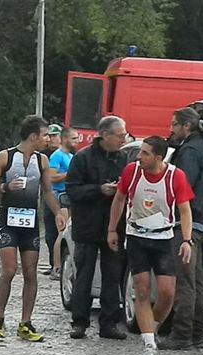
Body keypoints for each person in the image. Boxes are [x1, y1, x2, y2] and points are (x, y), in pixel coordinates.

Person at [108, 136, 194, 355]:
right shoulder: (131, 172)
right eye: (140, 152)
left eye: (145, 153)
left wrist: (187, 240)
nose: (139, 156)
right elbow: (118, 199)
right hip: (136, 237)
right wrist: (112, 230)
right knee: (142, 289)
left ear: (158, 157)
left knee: (167, 292)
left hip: (164, 238)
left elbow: (185, 210)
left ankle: (152, 328)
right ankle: (148, 344)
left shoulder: (176, 176)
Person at [0, 115, 66, 342]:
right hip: (7, 220)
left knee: (31, 273)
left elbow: (48, 191)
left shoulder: (42, 161)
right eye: (45, 135)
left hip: (30, 222)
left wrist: (58, 212)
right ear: (33, 136)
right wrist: (5, 186)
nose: (48, 139)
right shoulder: (5, 157)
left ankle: (25, 322)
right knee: (9, 270)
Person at [65, 117, 128, 340]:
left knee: (112, 276)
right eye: (120, 135)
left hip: (114, 227)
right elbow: (72, 190)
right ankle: (79, 322)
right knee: (84, 274)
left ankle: (109, 323)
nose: (123, 139)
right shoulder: (82, 158)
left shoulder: (124, 158)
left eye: (124, 136)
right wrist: (99, 190)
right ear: (105, 135)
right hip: (87, 226)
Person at [159, 107, 203, 350]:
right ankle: (197, 332)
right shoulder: (201, 148)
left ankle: (182, 335)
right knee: (196, 281)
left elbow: (182, 186)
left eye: (174, 124)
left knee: (184, 281)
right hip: (200, 221)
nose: (170, 129)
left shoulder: (190, 151)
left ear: (186, 126)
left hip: (186, 224)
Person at [48, 126, 78, 281]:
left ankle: (66, 264)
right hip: (59, 196)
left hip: (70, 196)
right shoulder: (57, 156)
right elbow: (51, 178)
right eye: (74, 138)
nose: (77, 141)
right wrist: (70, 174)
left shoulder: (71, 156)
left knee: (69, 231)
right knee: (63, 231)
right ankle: (57, 267)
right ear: (65, 139)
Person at [42, 123, 64, 275]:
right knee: (50, 232)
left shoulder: (66, 154)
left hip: (61, 197)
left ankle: (60, 264)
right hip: (46, 195)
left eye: (55, 135)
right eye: (49, 136)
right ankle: (53, 264)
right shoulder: (43, 154)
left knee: (61, 230)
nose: (52, 139)